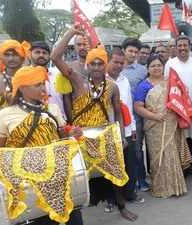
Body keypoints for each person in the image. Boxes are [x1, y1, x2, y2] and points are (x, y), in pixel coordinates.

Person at [51, 25, 137, 221]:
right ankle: (74, 211)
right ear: (87, 65)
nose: (97, 67)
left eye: (100, 64)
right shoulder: (78, 81)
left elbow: (118, 113)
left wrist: (121, 137)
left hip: (105, 134)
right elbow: (55, 57)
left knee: (115, 171)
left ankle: (121, 206)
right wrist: (72, 33)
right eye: (93, 64)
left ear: (105, 65)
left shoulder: (112, 87)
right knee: (77, 176)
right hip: (80, 136)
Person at [0, 66, 84, 225]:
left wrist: (72, 134)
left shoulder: (52, 108)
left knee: (68, 216)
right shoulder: (6, 114)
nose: (43, 87)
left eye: (43, 83)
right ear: (21, 88)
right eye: (37, 85)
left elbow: (61, 138)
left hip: (56, 173)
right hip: (27, 179)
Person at [134, 55, 191, 198]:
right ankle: (160, 188)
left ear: (163, 67)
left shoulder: (170, 82)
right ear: (147, 68)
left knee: (172, 153)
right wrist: (155, 117)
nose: (156, 68)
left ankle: (176, 186)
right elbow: (138, 107)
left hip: (171, 123)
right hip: (154, 126)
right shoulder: (143, 85)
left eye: (159, 65)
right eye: (153, 66)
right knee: (157, 157)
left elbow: (181, 97)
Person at [105, 48, 144, 213]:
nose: (118, 66)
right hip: (108, 131)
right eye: (115, 62)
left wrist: (133, 129)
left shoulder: (125, 80)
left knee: (130, 164)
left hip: (127, 130)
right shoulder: (100, 82)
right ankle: (111, 200)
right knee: (111, 167)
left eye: (121, 63)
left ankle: (130, 194)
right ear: (108, 61)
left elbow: (128, 107)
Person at [164, 35, 192, 178]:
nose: (182, 48)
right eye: (179, 45)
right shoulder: (170, 64)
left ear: (189, 46)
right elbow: (166, 86)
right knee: (182, 137)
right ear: (176, 47)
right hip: (178, 108)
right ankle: (185, 167)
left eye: (184, 45)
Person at [119, 38, 150, 192]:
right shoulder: (115, 68)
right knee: (121, 152)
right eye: (130, 51)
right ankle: (125, 184)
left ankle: (141, 180)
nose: (133, 54)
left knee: (137, 150)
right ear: (124, 50)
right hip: (118, 119)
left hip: (136, 118)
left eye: (135, 52)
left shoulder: (142, 71)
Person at [29, 41, 66, 118]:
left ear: (49, 56)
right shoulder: (24, 76)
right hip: (34, 123)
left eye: (44, 53)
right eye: (37, 52)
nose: (41, 55)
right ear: (30, 55)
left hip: (61, 122)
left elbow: (66, 98)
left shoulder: (58, 73)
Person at [0, 40, 29, 116]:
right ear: (2, 58)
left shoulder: (31, 77)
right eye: (7, 55)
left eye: (15, 55)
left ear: (22, 57)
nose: (11, 59)